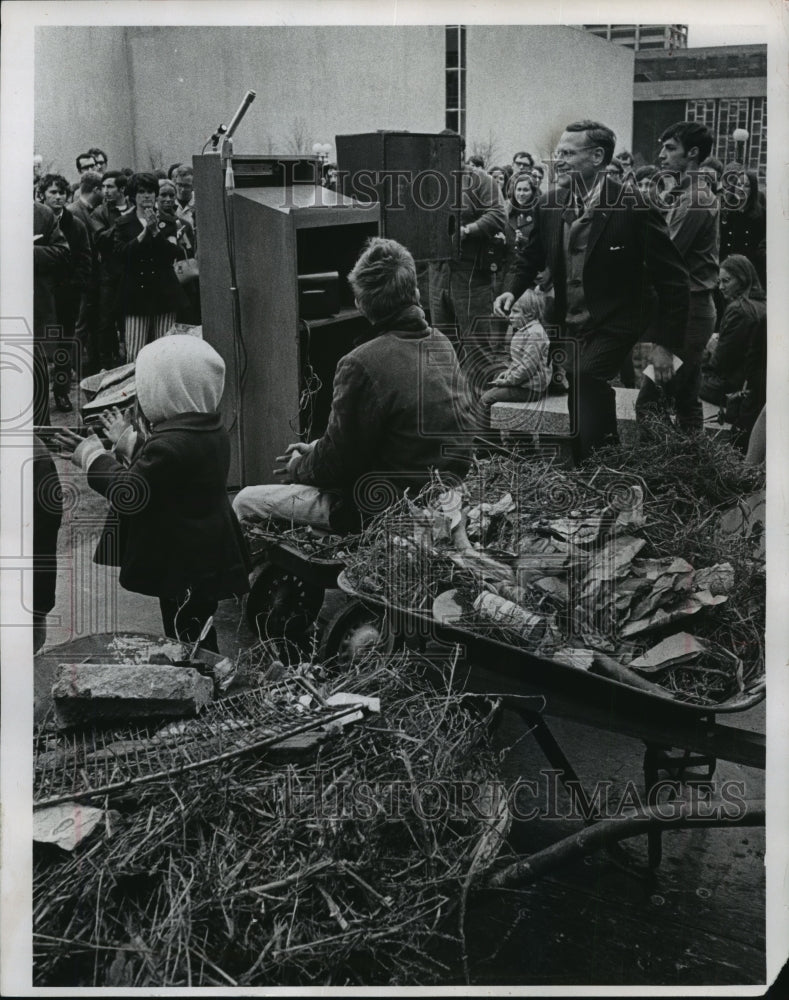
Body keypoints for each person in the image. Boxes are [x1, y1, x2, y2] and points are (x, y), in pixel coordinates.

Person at [233, 237, 473, 533]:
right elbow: (398, 436)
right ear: (417, 292)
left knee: (245, 500)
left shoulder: (360, 363)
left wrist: (298, 467)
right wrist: (321, 447)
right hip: (446, 497)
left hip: (386, 510)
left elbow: (336, 466)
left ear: (361, 305)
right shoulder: (441, 343)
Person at [493, 119, 689, 463]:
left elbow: (673, 280)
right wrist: (511, 290)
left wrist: (665, 346)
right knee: (577, 388)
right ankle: (595, 466)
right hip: (570, 320)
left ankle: (605, 464)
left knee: (586, 376)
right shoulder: (550, 205)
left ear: (598, 156)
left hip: (619, 319)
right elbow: (529, 257)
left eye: (568, 153)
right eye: (557, 154)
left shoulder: (634, 207)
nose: (559, 161)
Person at [53, 336, 250, 652]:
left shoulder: (168, 445)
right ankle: (204, 674)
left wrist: (90, 454)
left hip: (184, 562)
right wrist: (126, 441)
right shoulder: (206, 427)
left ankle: (202, 682)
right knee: (195, 624)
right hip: (203, 553)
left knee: (186, 633)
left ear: (168, 390)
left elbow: (129, 490)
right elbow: (170, 473)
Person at [636, 120, 719, 435]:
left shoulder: (694, 198)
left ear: (693, 153)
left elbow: (664, 257)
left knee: (649, 402)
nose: (661, 155)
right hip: (686, 311)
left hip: (688, 314)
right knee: (686, 400)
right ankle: (691, 472)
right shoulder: (684, 194)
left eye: (670, 148)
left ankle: (659, 476)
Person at [428, 132, 506, 386]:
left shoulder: (479, 180)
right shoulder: (430, 181)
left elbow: (497, 214)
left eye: (447, 151)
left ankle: (480, 413)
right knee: (442, 345)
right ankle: (449, 406)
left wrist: (467, 230)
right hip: (438, 274)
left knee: (477, 347)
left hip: (470, 273)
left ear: (460, 152)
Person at [37, 173, 92, 411]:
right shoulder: (36, 220)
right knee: (39, 344)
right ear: (42, 196)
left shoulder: (75, 224)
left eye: (62, 193)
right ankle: (38, 392)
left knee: (63, 346)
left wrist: (75, 286)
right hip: (42, 295)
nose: (58, 197)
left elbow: (85, 258)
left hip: (65, 295)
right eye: (52, 192)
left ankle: (61, 392)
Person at [114, 171, 183, 362]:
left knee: (165, 351)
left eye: (151, 192)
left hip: (164, 292)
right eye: (141, 192)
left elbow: (172, 253)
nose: (146, 196)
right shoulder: (123, 223)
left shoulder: (168, 221)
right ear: (133, 196)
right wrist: (144, 233)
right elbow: (121, 254)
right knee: (135, 353)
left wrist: (155, 233)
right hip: (135, 294)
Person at [700, 254, 766, 406]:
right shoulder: (763, 305)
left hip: (728, 388)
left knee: (678, 369)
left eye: (726, 281)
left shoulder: (738, 309)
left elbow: (719, 363)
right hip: (749, 387)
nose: (721, 287)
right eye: (719, 282)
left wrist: (711, 347)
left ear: (742, 280)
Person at [480, 288, 552, 419]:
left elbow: (527, 368)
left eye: (515, 312)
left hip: (531, 389)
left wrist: (508, 381)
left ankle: (486, 435)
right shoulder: (525, 330)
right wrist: (507, 373)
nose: (510, 316)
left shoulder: (534, 334)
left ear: (530, 314)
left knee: (486, 398)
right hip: (525, 384)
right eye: (510, 311)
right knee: (492, 386)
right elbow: (519, 362)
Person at [33, 202, 70, 426]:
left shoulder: (41, 213)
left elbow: (62, 252)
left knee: (35, 376)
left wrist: (26, 252)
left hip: (34, 308)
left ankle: (40, 441)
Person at [92, 170, 131, 366]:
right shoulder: (100, 212)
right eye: (103, 187)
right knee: (106, 321)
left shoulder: (134, 207)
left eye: (110, 187)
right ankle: (107, 363)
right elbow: (100, 239)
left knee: (131, 320)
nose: (105, 191)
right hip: (109, 274)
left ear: (122, 189)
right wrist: (123, 223)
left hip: (132, 273)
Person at [719, 167, 766, 288]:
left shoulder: (761, 215)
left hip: (748, 269)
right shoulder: (727, 211)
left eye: (746, 185)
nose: (741, 189)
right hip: (727, 266)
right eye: (739, 184)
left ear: (753, 189)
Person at [173, 164, 196, 230]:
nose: (182, 190)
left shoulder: (199, 202)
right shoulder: (169, 202)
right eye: (179, 185)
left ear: (193, 185)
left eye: (186, 186)